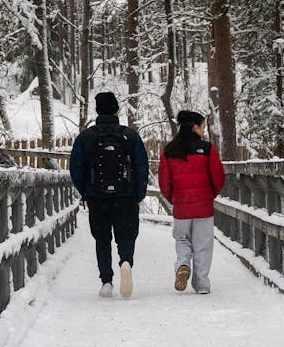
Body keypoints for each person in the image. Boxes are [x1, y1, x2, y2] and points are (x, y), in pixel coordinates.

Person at [69, 91, 149, 298]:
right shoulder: (130, 136)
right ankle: (125, 262)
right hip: (126, 197)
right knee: (126, 235)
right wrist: (138, 194)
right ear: (116, 110)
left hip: (98, 197)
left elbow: (76, 169)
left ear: (97, 110)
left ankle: (106, 281)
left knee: (102, 239)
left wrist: (86, 192)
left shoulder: (86, 137)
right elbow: (142, 166)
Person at [157, 110, 226, 294]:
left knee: (182, 239)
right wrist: (209, 195)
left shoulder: (169, 151)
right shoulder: (207, 149)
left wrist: (176, 199)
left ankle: (183, 265)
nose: (204, 131)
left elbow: (164, 183)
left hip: (181, 206)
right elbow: (218, 178)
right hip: (203, 206)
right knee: (203, 244)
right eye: (202, 127)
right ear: (195, 127)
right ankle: (202, 284)